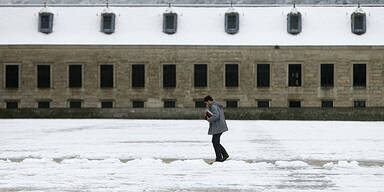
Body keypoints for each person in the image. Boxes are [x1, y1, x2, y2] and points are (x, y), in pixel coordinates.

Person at [204, 95, 229, 162]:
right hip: (220, 125)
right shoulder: (216, 105)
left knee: (215, 142)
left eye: (206, 102)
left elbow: (216, 115)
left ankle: (219, 158)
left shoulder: (213, 106)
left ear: (209, 101)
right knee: (215, 142)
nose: (206, 104)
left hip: (218, 126)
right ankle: (224, 155)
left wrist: (209, 119)